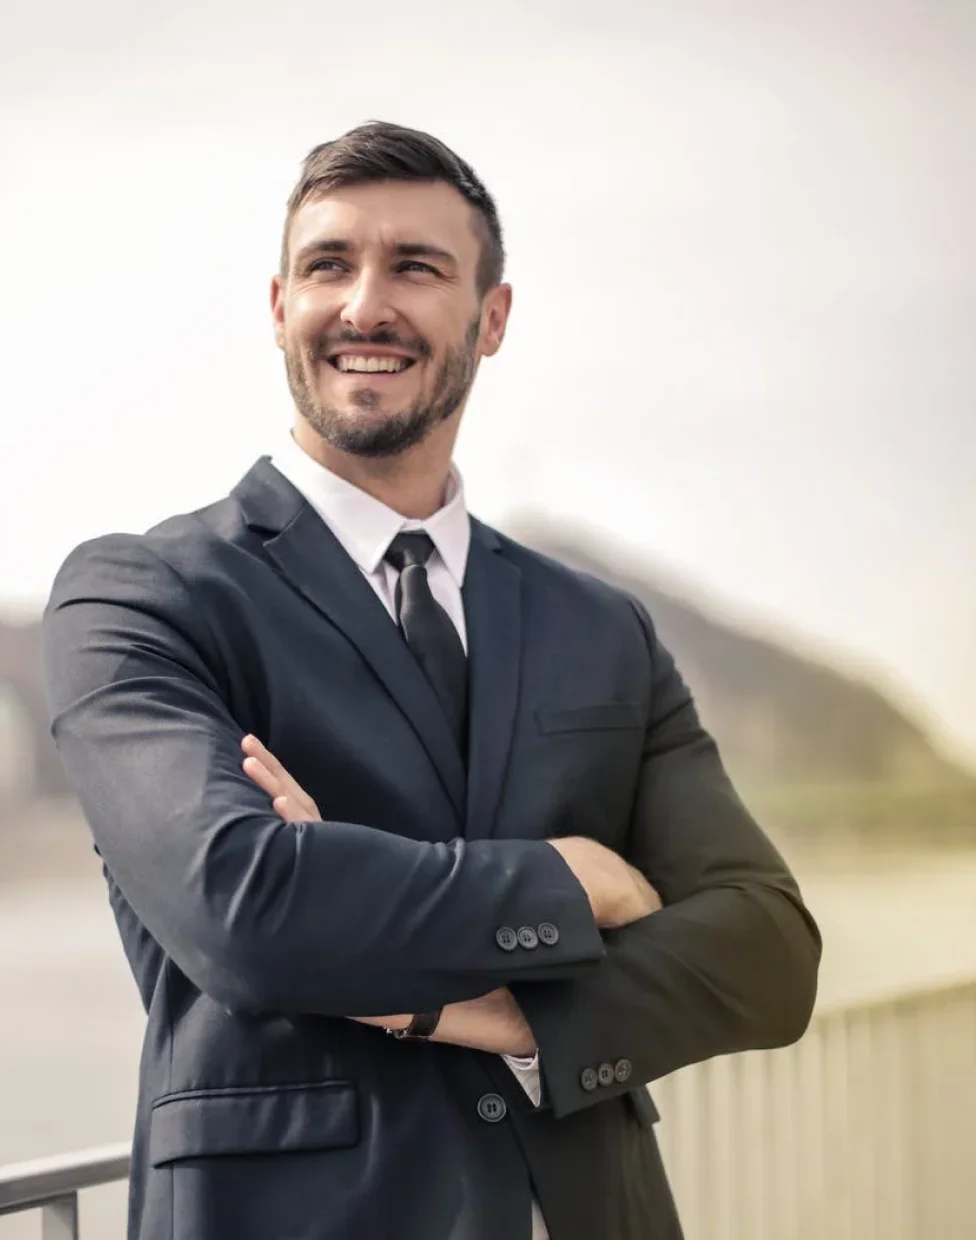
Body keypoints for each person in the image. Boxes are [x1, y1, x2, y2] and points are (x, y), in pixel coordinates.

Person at [42, 120, 821, 1240]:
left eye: (415, 266)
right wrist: (571, 880)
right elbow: (246, 909)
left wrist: (460, 1004)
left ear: (490, 316)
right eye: (328, 265)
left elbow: (767, 951)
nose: (365, 306)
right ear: (278, 307)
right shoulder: (144, 594)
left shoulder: (600, 626)